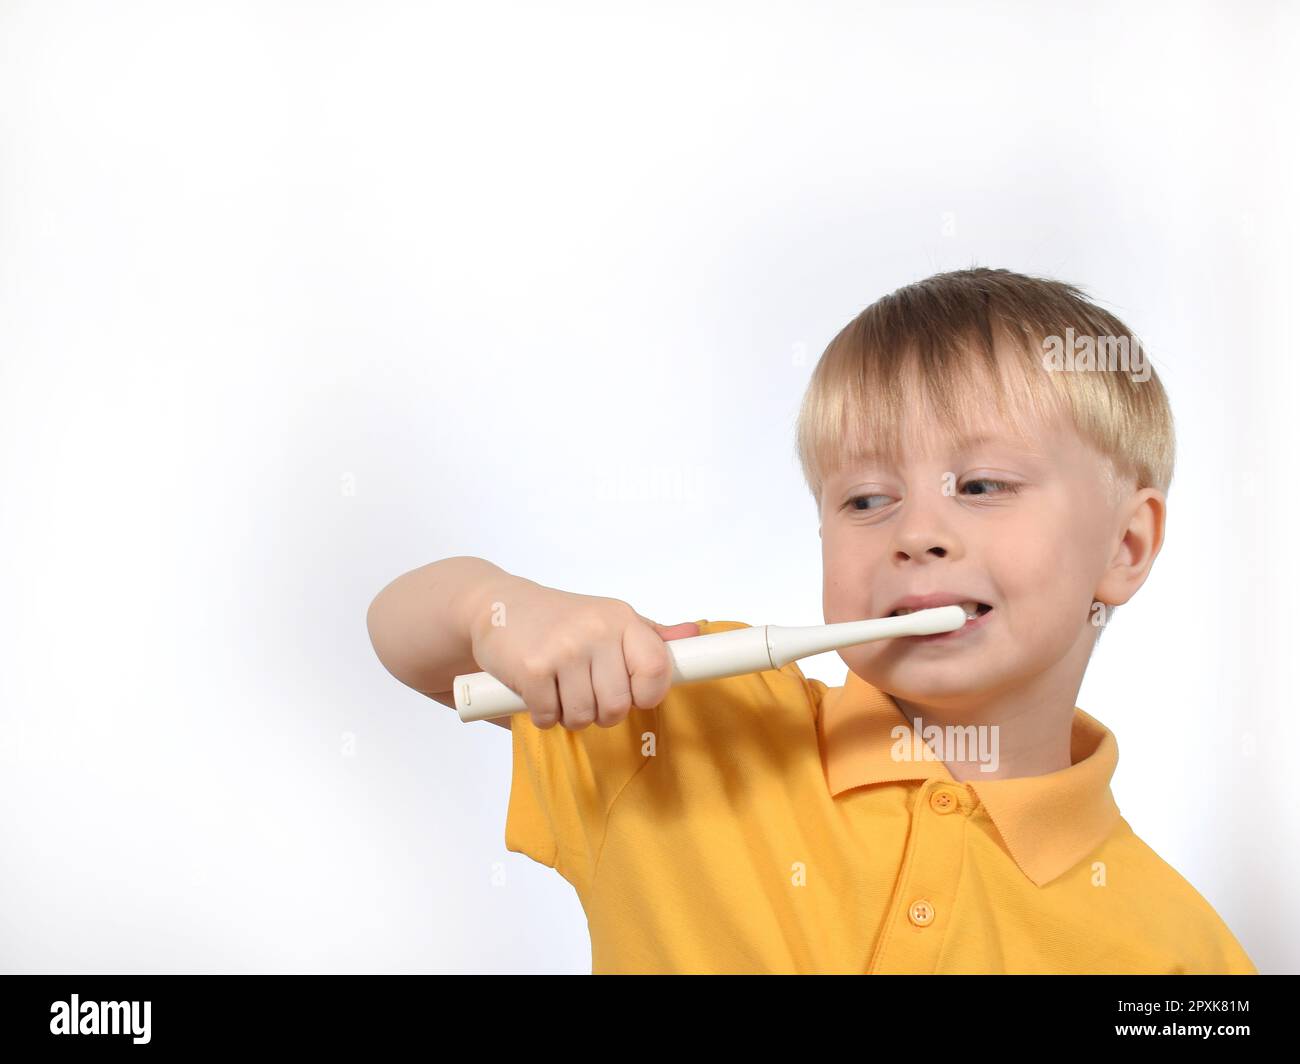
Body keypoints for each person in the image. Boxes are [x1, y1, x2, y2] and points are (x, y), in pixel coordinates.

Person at [366, 267, 1258, 975]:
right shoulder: (692, 725)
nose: (916, 533)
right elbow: (403, 634)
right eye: (867, 499)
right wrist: (500, 611)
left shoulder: (1181, 957)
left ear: (1127, 548)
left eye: (982, 486)